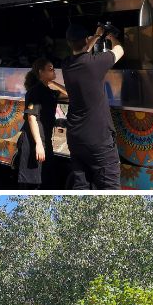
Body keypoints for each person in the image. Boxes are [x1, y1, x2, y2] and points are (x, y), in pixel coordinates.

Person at [61, 22, 122, 190]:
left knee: (81, 186)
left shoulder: (66, 65)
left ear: (68, 43)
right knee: (109, 187)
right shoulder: (95, 63)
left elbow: (82, 52)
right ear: (86, 39)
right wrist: (112, 37)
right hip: (98, 139)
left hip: (75, 137)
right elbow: (119, 51)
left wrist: (96, 36)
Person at [16, 57, 66, 189]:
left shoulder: (50, 92)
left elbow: (70, 93)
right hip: (33, 141)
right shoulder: (34, 92)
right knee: (33, 182)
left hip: (45, 140)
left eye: (53, 69)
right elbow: (31, 117)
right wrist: (38, 144)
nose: (53, 71)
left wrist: (53, 83)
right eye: (50, 69)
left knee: (46, 179)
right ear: (41, 72)